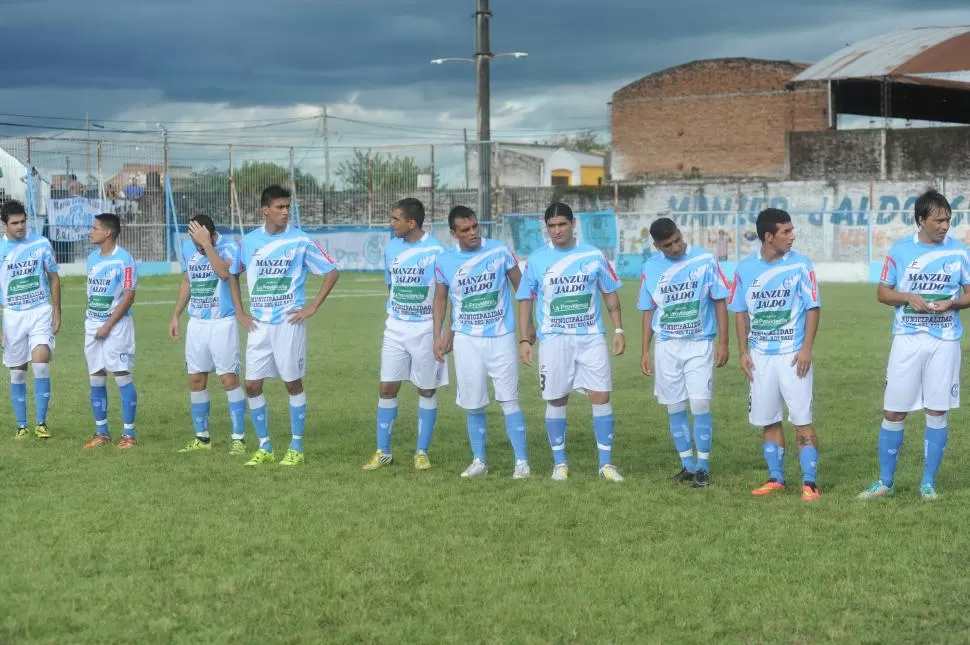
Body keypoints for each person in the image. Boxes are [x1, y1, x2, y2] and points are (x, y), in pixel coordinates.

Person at [859, 190, 970, 501]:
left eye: (949, 219)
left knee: (937, 411)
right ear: (921, 220)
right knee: (894, 412)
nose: (946, 225)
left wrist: (953, 303)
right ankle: (885, 483)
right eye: (939, 220)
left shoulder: (960, 252)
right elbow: (883, 293)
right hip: (907, 339)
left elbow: (969, 294)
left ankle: (928, 484)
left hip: (945, 341)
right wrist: (908, 297)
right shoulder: (901, 250)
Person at [515, 202, 626, 482]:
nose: (557, 230)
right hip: (553, 339)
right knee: (556, 398)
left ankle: (606, 464)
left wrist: (619, 330)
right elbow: (525, 300)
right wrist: (524, 339)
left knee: (601, 396)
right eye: (551, 226)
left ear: (573, 223)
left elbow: (610, 293)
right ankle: (560, 463)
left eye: (562, 224)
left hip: (590, 337)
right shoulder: (537, 259)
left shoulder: (593, 255)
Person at [231, 185, 339, 467]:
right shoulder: (249, 242)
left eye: (288, 207)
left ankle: (296, 446)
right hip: (258, 326)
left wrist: (312, 307)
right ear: (265, 210)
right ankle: (265, 446)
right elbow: (232, 274)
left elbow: (331, 271)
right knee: (252, 385)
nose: (285, 212)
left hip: (289, 323)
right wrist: (240, 313)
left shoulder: (301, 240)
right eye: (280, 207)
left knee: (292, 383)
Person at [728, 208, 821, 501]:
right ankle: (776, 478)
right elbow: (740, 313)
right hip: (760, 357)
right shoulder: (745, 269)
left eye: (792, 230)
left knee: (802, 419)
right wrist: (743, 352)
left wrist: (806, 349)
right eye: (786, 232)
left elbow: (813, 308)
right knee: (768, 419)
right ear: (768, 237)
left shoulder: (801, 265)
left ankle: (810, 483)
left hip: (793, 355)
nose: (792, 237)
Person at [432, 206, 531, 478]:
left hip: (501, 337)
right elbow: (441, 298)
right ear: (454, 233)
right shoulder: (445, 261)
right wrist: (438, 335)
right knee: (473, 403)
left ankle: (521, 462)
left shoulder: (499, 250)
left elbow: (521, 289)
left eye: (475, 226)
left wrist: (528, 327)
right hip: (466, 340)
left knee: (509, 400)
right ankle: (479, 461)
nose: (473, 233)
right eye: (465, 230)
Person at [638, 217, 730, 488]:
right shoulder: (651, 268)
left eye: (678, 240)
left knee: (700, 402)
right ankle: (687, 464)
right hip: (666, 346)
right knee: (674, 404)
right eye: (668, 245)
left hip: (699, 343)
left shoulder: (704, 259)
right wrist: (645, 349)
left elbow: (719, 301)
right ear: (657, 246)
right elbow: (648, 310)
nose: (676, 247)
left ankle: (703, 465)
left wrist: (724, 342)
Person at [362, 197, 448, 471]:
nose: (392, 223)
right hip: (395, 327)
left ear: (411, 222)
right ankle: (383, 451)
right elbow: (391, 286)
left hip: (425, 328)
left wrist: (438, 334)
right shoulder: (392, 248)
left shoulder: (437, 251)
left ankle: (421, 451)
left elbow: (443, 296)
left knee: (426, 388)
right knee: (387, 387)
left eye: (396, 219)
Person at [168, 215, 247, 454]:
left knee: (228, 379)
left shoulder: (230, 246)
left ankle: (238, 438)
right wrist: (176, 315)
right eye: (194, 244)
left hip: (222, 322)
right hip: (197, 324)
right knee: (195, 380)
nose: (197, 248)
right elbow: (186, 280)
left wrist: (208, 246)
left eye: (200, 242)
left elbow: (225, 273)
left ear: (212, 235)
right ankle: (202, 439)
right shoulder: (187, 248)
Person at [0, 200, 61, 439]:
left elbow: (54, 278)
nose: (20, 226)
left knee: (41, 363)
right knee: (17, 373)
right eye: (15, 223)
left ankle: (41, 423)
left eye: (23, 221)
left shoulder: (41, 243)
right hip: (13, 315)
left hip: (40, 311)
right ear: (4, 224)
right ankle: (21, 426)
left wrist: (57, 311)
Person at [82, 213, 139, 448]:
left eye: (94, 228)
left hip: (117, 327)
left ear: (107, 232)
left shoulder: (124, 259)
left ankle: (129, 435)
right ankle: (101, 432)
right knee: (96, 377)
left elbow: (129, 296)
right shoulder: (92, 258)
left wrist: (108, 325)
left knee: (122, 376)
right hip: (92, 325)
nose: (90, 231)